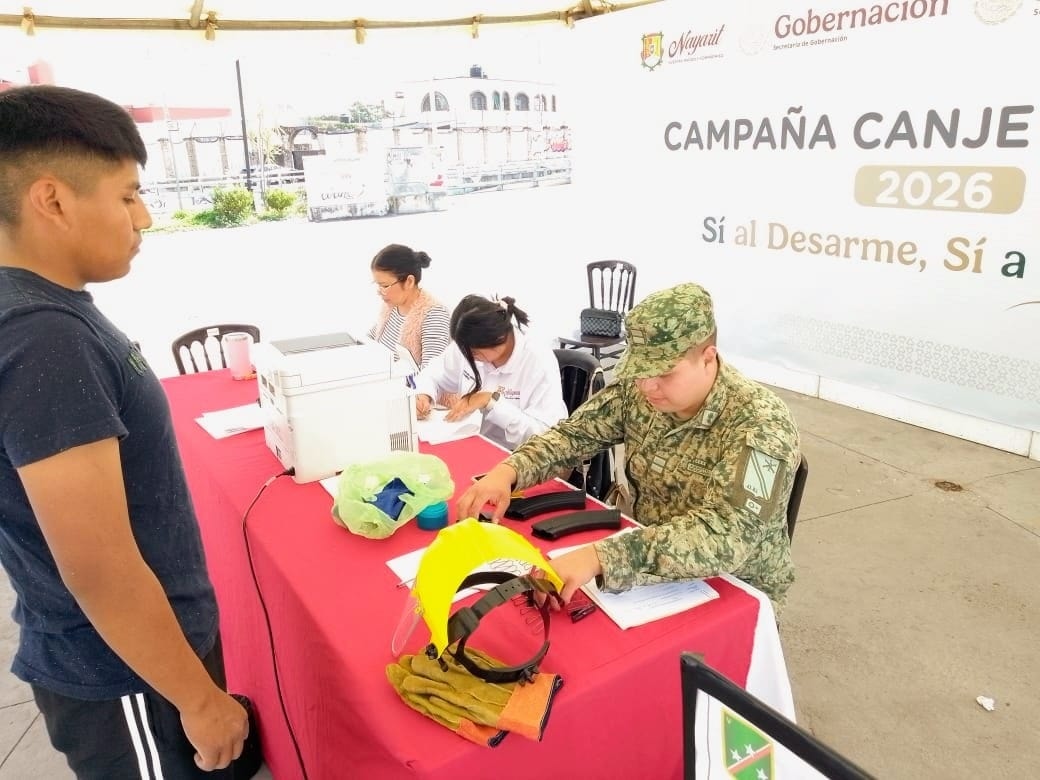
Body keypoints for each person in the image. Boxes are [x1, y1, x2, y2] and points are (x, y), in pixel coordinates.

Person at [0, 86, 248, 777]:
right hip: (126, 679)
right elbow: (99, 565)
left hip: (138, 661)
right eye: (128, 195)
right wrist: (198, 699)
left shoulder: (48, 311)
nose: (144, 217)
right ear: (52, 200)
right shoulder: (44, 336)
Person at [457, 282, 801, 611]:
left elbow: (728, 536)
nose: (647, 386)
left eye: (664, 373)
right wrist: (510, 470)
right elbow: (574, 435)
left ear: (708, 358)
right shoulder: (638, 392)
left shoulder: (762, 423)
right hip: (649, 568)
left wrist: (603, 557)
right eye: (640, 370)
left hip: (735, 587)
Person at [413, 295, 568, 451]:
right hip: (471, 443)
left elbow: (547, 438)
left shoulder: (538, 360)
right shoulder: (468, 344)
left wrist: (491, 401)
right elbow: (432, 374)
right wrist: (423, 395)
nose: (467, 357)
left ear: (499, 338)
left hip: (517, 455)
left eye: (474, 353)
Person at [368, 243, 450, 371]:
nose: (379, 291)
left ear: (409, 281)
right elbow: (370, 342)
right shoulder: (390, 307)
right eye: (377, 284)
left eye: (384, 286)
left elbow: (432, 374)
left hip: (407, 384)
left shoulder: (434, 315)